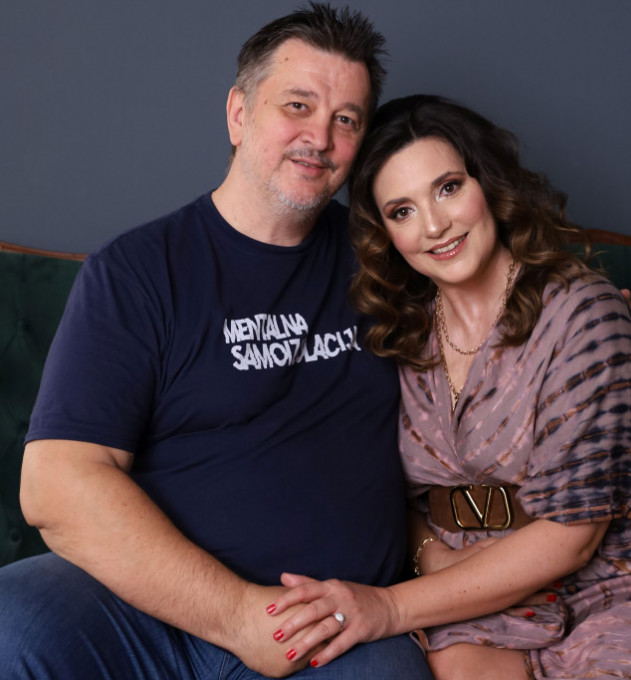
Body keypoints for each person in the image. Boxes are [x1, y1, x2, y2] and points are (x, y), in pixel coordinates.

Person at [0, 5, 435, 679]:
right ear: (238, 113)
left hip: (332, 624)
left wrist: (609, 324)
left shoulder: (390, 256)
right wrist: (234, 615)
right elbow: (56, 483)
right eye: (297, 106)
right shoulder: (139, 271)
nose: (319, 138)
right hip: (149, 614)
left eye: (346, 120)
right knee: (11, 620)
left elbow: (503, 297)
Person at [264, 95, 631, 679]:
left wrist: (386, 607)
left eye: (448, 188)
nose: (434, 226)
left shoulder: (584, 315)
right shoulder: (397, 334)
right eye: (402, 211)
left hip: (608, 587)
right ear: (384, 233)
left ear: (488, 183)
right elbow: (379, 489)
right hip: (465, 594)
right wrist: (430, 553)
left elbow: (573, 540)